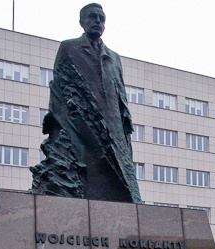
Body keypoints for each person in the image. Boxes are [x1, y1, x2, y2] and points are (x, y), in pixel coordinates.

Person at [31, 3, 142, 203]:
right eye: (92, 17)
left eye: (101, 18)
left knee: (122, 181)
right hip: (81, 121)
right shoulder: (69, 47)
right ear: (82, 22)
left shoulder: (114, 58)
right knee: (91, 172)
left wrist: (125, 120)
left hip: (113, 125)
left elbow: (120, 93)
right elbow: (59, 86)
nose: (97, 21)